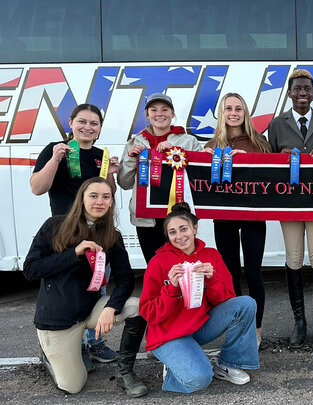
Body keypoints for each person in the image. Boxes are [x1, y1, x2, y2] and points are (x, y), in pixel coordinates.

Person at [23, 177, 147, 397]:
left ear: (111, 202)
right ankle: (48, 356)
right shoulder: (54, 225)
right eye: (93, 195)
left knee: (137, 307)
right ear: (81, 198)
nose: (99, 201)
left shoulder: (113, 236)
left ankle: (124, 372)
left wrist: (111, 307)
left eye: (106, 197)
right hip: (58, 320)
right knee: (73, 386)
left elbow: (126, 279)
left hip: (90, 311)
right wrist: (74, 253)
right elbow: (31, 269)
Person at [29, 104, 121, 369]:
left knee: (97, 285)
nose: (87, 127)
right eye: (82, 121)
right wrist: (55, 159)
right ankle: (72, 345)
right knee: (65, 290)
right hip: (64, 232)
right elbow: (37, 188)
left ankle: (94, 343)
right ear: (71, 122)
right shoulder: (55, 148)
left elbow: (107, 194)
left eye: (94, 123)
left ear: (100, 128)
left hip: (96, 231)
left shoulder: (101, 155)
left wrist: (111, 176)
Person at [139, 203, 259, 394]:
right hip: (168, 333)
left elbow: (227, 300)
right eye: (172, 232)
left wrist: (212, 279)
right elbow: (148, 312)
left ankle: (228, 364)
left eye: (183, 229)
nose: (179, 236)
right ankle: (174, 367)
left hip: (198, 325)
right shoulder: (158, 262)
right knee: (200, 379)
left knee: (245, 304)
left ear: (195, 228)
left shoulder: (211, 255)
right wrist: (171, 288)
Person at [267, 69, 313, 349]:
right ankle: (299, 321)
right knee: (294, 259)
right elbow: (269, 166)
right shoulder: (276, 124)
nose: (302, 93)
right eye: (297, 89)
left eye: (307, 89)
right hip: (290, 205)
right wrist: (279, 159)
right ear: (289, 93)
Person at [203, 92, 271, 346]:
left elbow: (270, 178)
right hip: (224, 219)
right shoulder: (211, 146)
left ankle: (256, 328)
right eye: (228, 108)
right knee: (230, 274)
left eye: (238, 109)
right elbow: (203, 183)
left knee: (254, 272)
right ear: (222, 113)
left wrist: (248, 160)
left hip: (254, 217)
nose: (233, 113)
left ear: (245, 113)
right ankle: (238, 326)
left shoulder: (259, 142)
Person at [118, 93, 203, 266]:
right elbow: (124, 183)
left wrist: (177, 152)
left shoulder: (189, 141)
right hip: (147, 219)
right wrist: (130, 158)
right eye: (154, 110)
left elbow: (200, 179)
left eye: (165, 109)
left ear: (172, 114)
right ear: (147, 115)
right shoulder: (135, 142)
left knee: (184, 266)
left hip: (180, 216)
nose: (160, 114)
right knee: (155, 266)